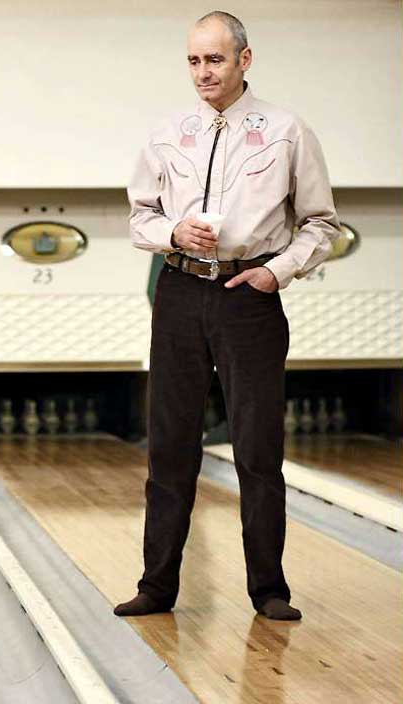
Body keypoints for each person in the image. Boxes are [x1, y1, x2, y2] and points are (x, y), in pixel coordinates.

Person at [116, 10, 339, 621]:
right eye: (193, 60)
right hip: (181, 292)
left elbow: (322, 224)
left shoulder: (287, 131)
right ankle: (157, 587)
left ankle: (269, 589)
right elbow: (140, 218)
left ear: (244, 60)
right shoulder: (167, 132)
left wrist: (277, 272)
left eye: (214, 59)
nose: (202, 72)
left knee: (258, 451)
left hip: (251, 296)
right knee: (169, 447)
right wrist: (173, 232)